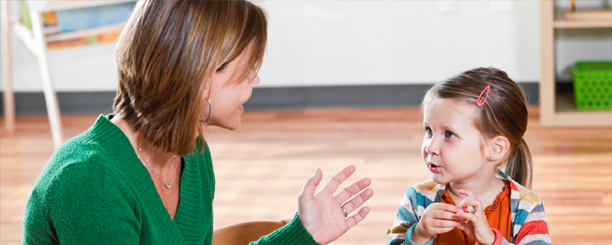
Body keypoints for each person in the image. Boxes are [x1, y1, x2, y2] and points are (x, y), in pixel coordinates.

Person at [22, 1, 373, 244]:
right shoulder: (88, 181)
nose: (256, 80)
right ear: (200, 76)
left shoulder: (192, 153)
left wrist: (304, 233)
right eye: (247, 69)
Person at [387, 68, 551, 245]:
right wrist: (419, 235)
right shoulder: (417, 199)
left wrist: (491, 240)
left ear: (495, 149)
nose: (431, 147)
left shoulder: (526, 207)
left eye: (449, 134)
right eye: (429, 131)